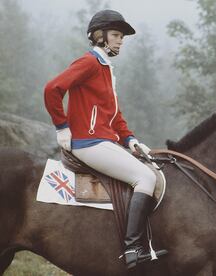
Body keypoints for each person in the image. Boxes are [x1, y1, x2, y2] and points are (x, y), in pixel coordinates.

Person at [44, 10, 167, 270]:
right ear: (99, 36)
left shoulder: (105, 68)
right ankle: (132, 248)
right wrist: (62, 127)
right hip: (89, 144)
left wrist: (131, 139)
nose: (120, 40)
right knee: (145, 178)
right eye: (116, 35)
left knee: (151, 171)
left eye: (122, 37)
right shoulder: (89, 63)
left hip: (105, 141)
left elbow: (114, 115)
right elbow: (52, 89)